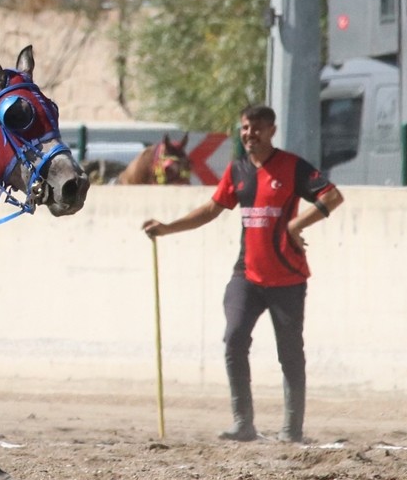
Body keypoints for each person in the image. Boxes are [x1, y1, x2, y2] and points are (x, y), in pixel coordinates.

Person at [141, 104, 345, 443]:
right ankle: (243, 423)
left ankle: (291, 431)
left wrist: (297, 224)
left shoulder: (292, 167)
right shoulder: (237, 171)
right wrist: (167, 228)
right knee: (234, 339)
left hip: (288, 278)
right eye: (245, 128)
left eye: (257, 128)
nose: (250, 134)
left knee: (290, 353)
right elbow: (210, 209)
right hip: (246, 276)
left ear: (271, 131)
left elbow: (333, 195)